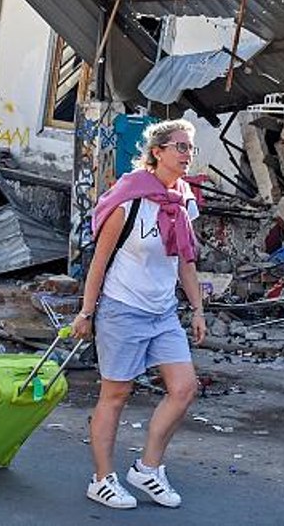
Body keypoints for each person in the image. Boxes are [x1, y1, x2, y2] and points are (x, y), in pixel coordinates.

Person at [72, 119, 207, 510]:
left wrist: (197, 309)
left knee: (183, 389)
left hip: (163, 313)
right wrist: (87, 311)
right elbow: (99, 262)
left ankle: (148, 469)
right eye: (180, 147)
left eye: (190, 148)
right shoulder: (129, 200)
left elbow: (186, 261)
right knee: (115, 395)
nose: (186, 155)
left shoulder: (183, 201)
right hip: (122, 310)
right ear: (158, 152)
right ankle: (101, 479)